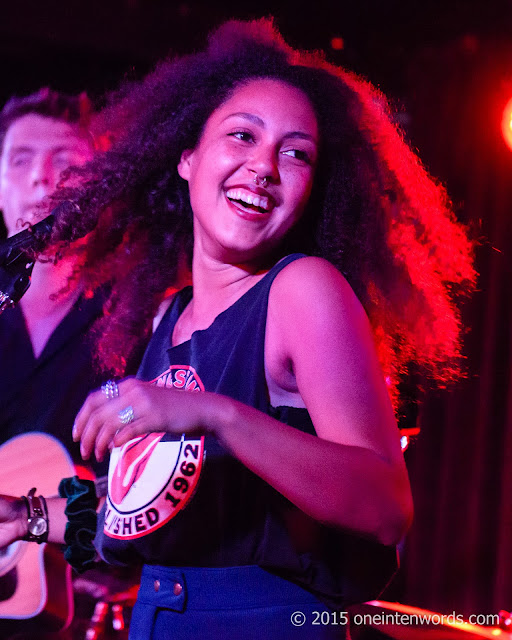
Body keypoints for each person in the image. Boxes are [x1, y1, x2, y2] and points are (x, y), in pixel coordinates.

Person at [0, 19, 475, 640]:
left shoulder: (302, 290)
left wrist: (216, 415)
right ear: (188, 157)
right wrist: (27, 517)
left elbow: (386, 507)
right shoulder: (170, 318)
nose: (263, 167)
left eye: (295, 152)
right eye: (242, 136)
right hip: (159, 618)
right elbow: (153, 517)